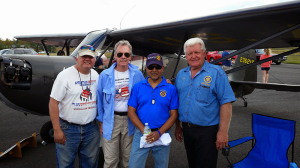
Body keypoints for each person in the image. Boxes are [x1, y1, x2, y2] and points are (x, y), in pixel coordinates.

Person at [174, 38, 236, 168]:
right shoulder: (181, 74)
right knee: (192, 163)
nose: (193, 56)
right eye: (189, 53)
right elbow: (177, 101)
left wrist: (223, 132)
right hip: (187, 129)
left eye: (197, 52)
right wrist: (178, 126)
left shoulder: (217, 73)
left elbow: (226, 103)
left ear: (204, 53)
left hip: (207, 132)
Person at [49, 45, 100, 168]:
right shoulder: (64, 76)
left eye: (91, 57)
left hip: (91, 129)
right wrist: (57, 130)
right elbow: (53, 103)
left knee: (90, 163)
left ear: (94, 59)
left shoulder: (96, 75)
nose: (87, 59)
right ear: (77, 58)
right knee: (65, 164)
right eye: (84, 56)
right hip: (68, 129)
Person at [97, 40, 144, 168]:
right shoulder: (105, 75)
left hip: (131, 120)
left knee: (128, 160)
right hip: (110, 120)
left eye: (127, 54)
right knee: (111, 160)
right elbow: (99, 99)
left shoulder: (137, 74)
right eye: (120, 54)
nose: (123, 57)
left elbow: (145, 92)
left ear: (130, 56)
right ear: (115, 55)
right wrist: (101, 121)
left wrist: (164, 81)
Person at [127, 53, 179, 168]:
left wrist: (159, 132)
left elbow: (173, 115)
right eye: (151, 67)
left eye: (157, 67)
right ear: (146, 68)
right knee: (134, 165)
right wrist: (146, 132)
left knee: (161, 166)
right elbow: (131, 111)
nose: (154, 70)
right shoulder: (138, 87)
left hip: (163, 133)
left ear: (162, 68)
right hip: (142, 133)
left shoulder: (171, 89)